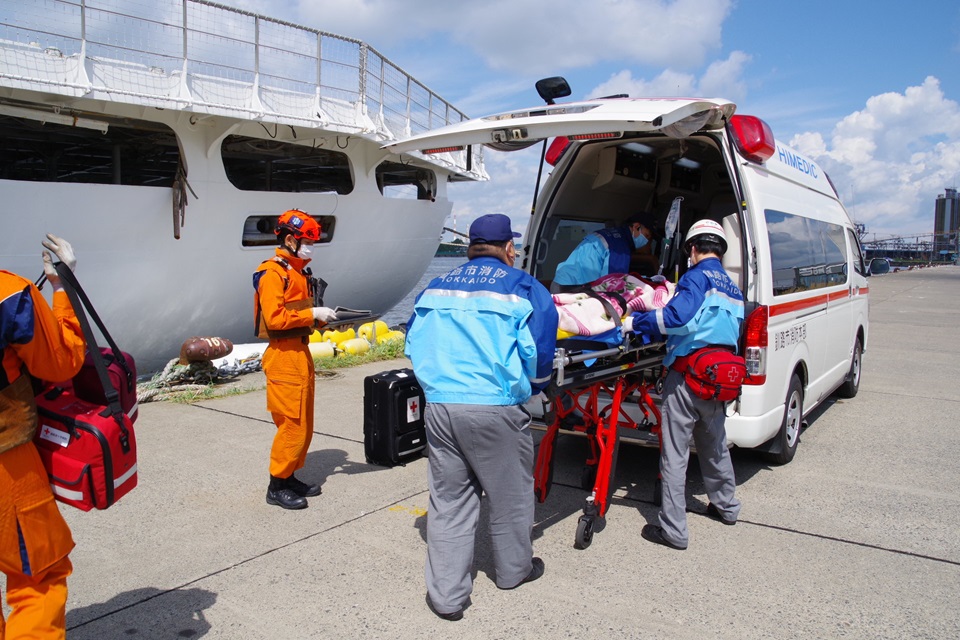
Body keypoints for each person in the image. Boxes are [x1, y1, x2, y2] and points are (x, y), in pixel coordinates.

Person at [405, 213, 558, 621]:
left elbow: (412, 341)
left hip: (440, 407)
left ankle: (446, 597)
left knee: (449, 501)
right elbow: (542, 356)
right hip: (495, 407)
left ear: (472, 246)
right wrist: (536, 387)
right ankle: (513, 571)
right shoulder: (525, 287)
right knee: (510, 497)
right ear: (510, 248)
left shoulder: (436, 287)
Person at [626, 219, 744, 550]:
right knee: (715, 445)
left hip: (689, 375)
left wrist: (637, 321)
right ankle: (727, 507)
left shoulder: (696, 277)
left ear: (692, 249)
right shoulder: (733, 287)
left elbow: (676, 318)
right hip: (720, 378)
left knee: (676, 454)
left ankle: (674, 531)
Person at [1, 234, 86, 639]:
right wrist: (61, 283)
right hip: (6, 465)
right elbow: (61, 362)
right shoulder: (9, 294)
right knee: (39, 572)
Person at [253, 209, 337, 510]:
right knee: (291, 423)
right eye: (306, 241)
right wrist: (311, 313)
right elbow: (275, 319)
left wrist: (320, 319)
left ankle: (289, 476)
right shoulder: (273, 273)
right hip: (283, 355)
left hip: (299, 352)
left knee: (304, 422)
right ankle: (276, 485)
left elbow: (296, 315)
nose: (310, 247)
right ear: (290, 239)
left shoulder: (297, 272)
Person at [551, 212, 657, 291]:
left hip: (562, 283)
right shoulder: (619, 248)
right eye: (647, 236)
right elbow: (613, 286)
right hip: (570, 290)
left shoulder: (610, 235)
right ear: (636, 227)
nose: (647, 241)